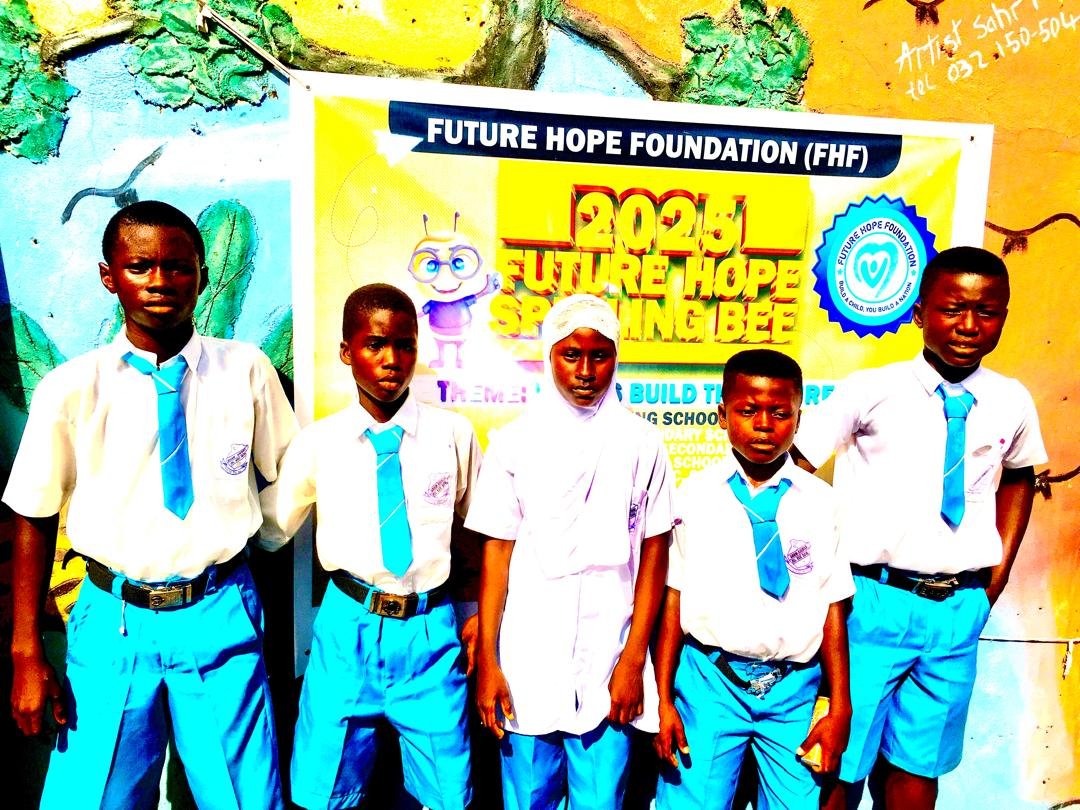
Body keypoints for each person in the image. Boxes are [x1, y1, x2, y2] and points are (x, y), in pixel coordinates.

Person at [5, 200, 298, 808]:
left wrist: (261, 538)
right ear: (109, 276)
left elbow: (289, 474)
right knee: (95, 795)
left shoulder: (246, 371)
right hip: (112, 620)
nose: (160, 281)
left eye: (178, 266)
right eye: (140, 266)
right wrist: (26, 650)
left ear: (203, 276)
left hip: (219, 609)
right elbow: (33, 511)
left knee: (241, 795)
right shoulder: (72, 387)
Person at [792, 246, 1047, 809]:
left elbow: (1019, 477)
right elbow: (795, 471)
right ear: (918, 312)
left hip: (957, 609)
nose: (969, 325)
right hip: (870, 602)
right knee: (836, 763)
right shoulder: (870, 390)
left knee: (918, 767)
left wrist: (995, 579)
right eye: (953, 309)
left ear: (1004, 317)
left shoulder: (1010, 400)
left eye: (987, 312)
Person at [258, 282, 481, 810]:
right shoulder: (319, 443)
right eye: (375, 344)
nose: (391, 360)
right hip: (347, 628)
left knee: (448, 792)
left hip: (431, 631)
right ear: (346, 351)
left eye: (405, 345)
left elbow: (477, 531)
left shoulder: (452, 435)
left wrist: (474, 614)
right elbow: (271, 528)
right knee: (325, 788)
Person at [467, 293, 674, 809]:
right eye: (571, 355)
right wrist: (489, 661)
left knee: (601, 798)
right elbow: (496, 556)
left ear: (616, 357)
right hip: (527, 657)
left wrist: (633, 661)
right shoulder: (514, 442)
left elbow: (654, 555)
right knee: (528, 797)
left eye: (599, 356)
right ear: (549, 355)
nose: (585, 371)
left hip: (610, 656)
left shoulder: (642, 443)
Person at [653, 349, 853, 810]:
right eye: (748, 411)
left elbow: (834, 606)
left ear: (799, 420)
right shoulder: (692, 498)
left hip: (794, 688)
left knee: (796, 803)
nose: (764, 425)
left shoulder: (823, 503)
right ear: (723, 415)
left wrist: (839, 703)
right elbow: (673, 601)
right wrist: (663, 699)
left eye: (780, 413)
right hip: (709, 683)